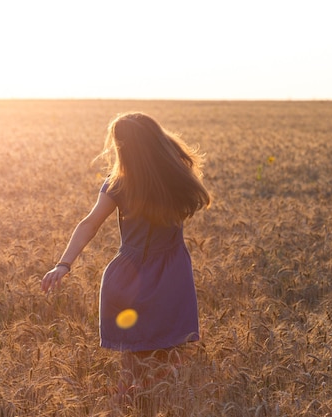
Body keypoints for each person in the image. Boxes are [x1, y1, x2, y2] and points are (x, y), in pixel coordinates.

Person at [41, 112, 211, 399]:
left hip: (129, 280)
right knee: (171, 362)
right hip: (173, 276)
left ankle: (130, 406)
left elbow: (89, 224)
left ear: (124, 149)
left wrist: (63, 264)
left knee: (131, 369)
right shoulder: (178, 174)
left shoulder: (119, 183)